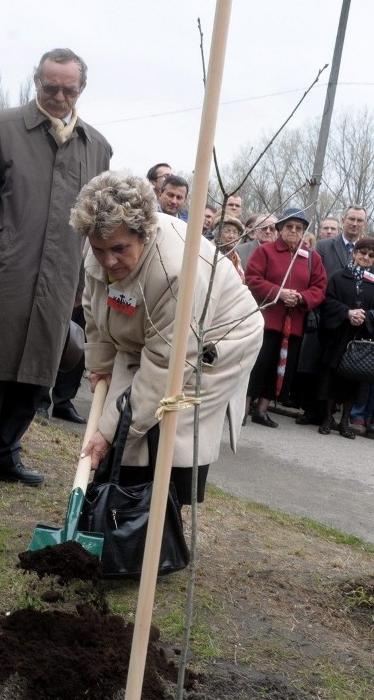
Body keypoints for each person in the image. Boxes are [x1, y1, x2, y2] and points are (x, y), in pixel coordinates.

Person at [0, 47, 112, 501]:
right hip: (7, 269)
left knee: (40, 366)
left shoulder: (96, 146)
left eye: (68, 89)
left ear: (82, 89)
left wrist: (87, 285)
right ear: (36, 81)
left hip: (61, 277)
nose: (58, 96)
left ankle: (4, 452)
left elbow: (97, 224)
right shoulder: (3, 127)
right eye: (49, 87)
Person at [69, 172, 264, 507]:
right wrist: (100, 368)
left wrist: (109, 432)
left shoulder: (175, 269)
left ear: (143, 234)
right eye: (100, 251)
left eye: (118, 249)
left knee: (167, 424)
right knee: (126, 421)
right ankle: (114, 504)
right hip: (151, 338)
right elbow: (95, 309)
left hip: (218, 337)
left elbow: (164, 366)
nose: (108, 261)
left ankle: (152, 519)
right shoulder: (101, 244)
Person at [244, 208, 326, 427]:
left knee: (279, 369)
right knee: (257, 365)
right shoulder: (266, 251)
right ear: (280, 229)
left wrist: (301, 297)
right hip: (265, 320)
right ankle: (242, 408)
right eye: (289, 226)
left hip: (293, 325)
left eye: (299, 228)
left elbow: (319, 288)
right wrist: (279, 293)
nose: (293, 231)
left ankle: (261, 410)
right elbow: (252, 278)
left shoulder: (312, 258)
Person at [317, 237, 374, 438]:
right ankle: (327, 418)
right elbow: (328, 302)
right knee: (330, 379)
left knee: (354, 381)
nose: (366, 257)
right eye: (362, 252)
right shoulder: (338, 276)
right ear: (354, 253)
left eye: (371, 255)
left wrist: (366, 316)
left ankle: (344, 422)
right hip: (338, 335)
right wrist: (347, 313)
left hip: (361, 339)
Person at [315, 205, 368, 277]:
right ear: (343, 221)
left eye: (359, 220)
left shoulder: (369, 252)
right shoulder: (323, 246)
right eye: (352, 219)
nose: (355, 224)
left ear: (364, 224)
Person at [211, 213, 245, 280]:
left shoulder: (235, 257)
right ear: (217, 234)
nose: (231, 236)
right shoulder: (210, 251)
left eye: (235, 232)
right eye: (227, 231)